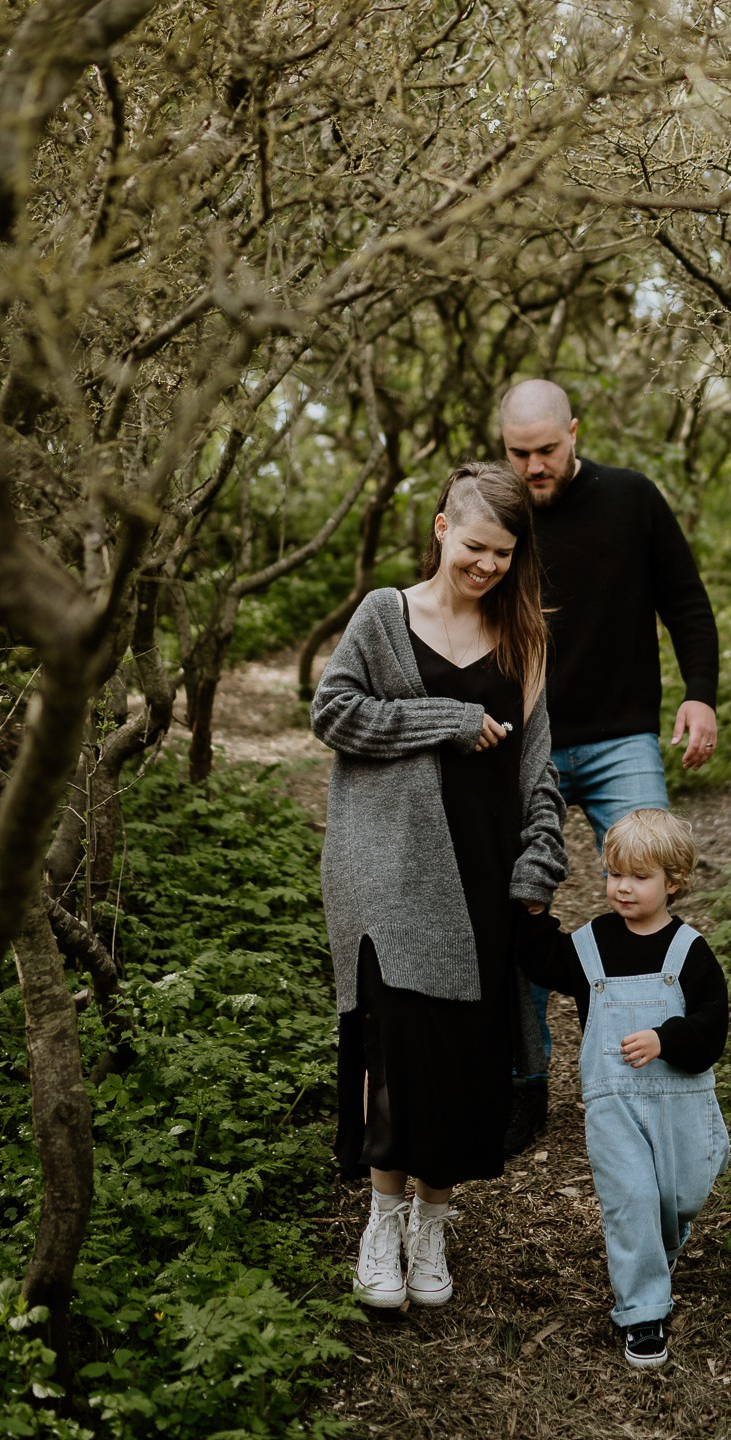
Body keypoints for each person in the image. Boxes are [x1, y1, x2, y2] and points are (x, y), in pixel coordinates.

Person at [312, 461, 568, 1312]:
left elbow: (539, 773)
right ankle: (382, 1221)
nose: (487, 564)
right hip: (390, 871)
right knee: (400, 1049)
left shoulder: (524, 637)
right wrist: (447, 722)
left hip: (485, 878)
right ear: (440, 529)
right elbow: (334, 712)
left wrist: (539, 864)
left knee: (463, 1060)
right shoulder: (386, 616)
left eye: (502, 551)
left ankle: (432, 1223)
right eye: (474, 545)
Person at [500, 377, 719, 1148]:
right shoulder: (496, 514)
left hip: (623, 736)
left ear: (575, 433)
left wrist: (700, 695)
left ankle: (645, 1056)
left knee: (644, 893)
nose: (534, 467)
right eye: (519, 453)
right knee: (517, 907)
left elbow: (686, 602)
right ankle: (528, 1081)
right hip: (524, 741)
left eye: (548, 449)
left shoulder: (632, 499)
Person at [516, 809, 729, 1369]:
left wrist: (666, 1039)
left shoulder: (689, 950)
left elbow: (713, 1025)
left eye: (639, 877)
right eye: (614, 875)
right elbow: (541, 961)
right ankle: (643, 1312)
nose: (623, 888)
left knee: (680, 1196)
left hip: (681, 1099)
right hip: (614, 1105)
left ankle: (658, 1256)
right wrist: (533, 910)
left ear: (673, 882)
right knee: (631, 1199)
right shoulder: (591, 945)